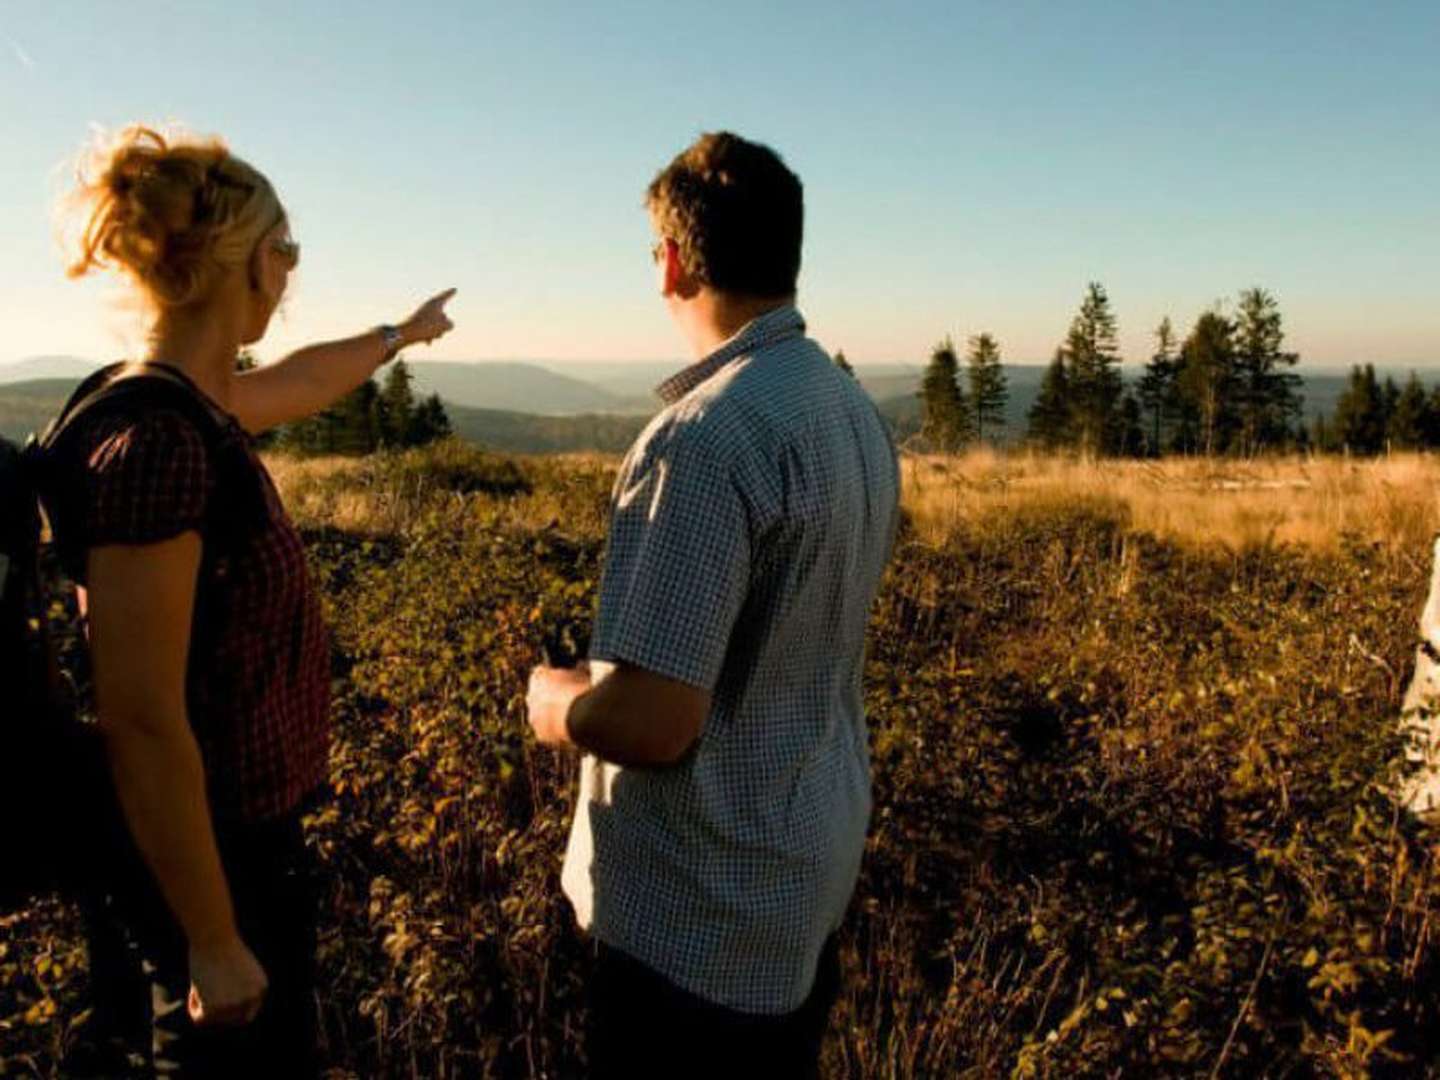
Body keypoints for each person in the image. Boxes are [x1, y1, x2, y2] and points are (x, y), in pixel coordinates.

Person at [45, 124, 456, 1077]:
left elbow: (306, 379)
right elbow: (142, 718)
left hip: (227, 850)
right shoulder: (161, 445)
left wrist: (404, 333)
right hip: (207, 860)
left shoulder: (180, 402)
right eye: (289, 251)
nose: (293, 272)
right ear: (245, 266)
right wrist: (214, 936)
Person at [525, 131, 900, 1078]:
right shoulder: (848, 410)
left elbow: (655, 724)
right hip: (796, 882)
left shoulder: (698, 439)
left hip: (695, 921)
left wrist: (557, 705)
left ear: (672, 261)